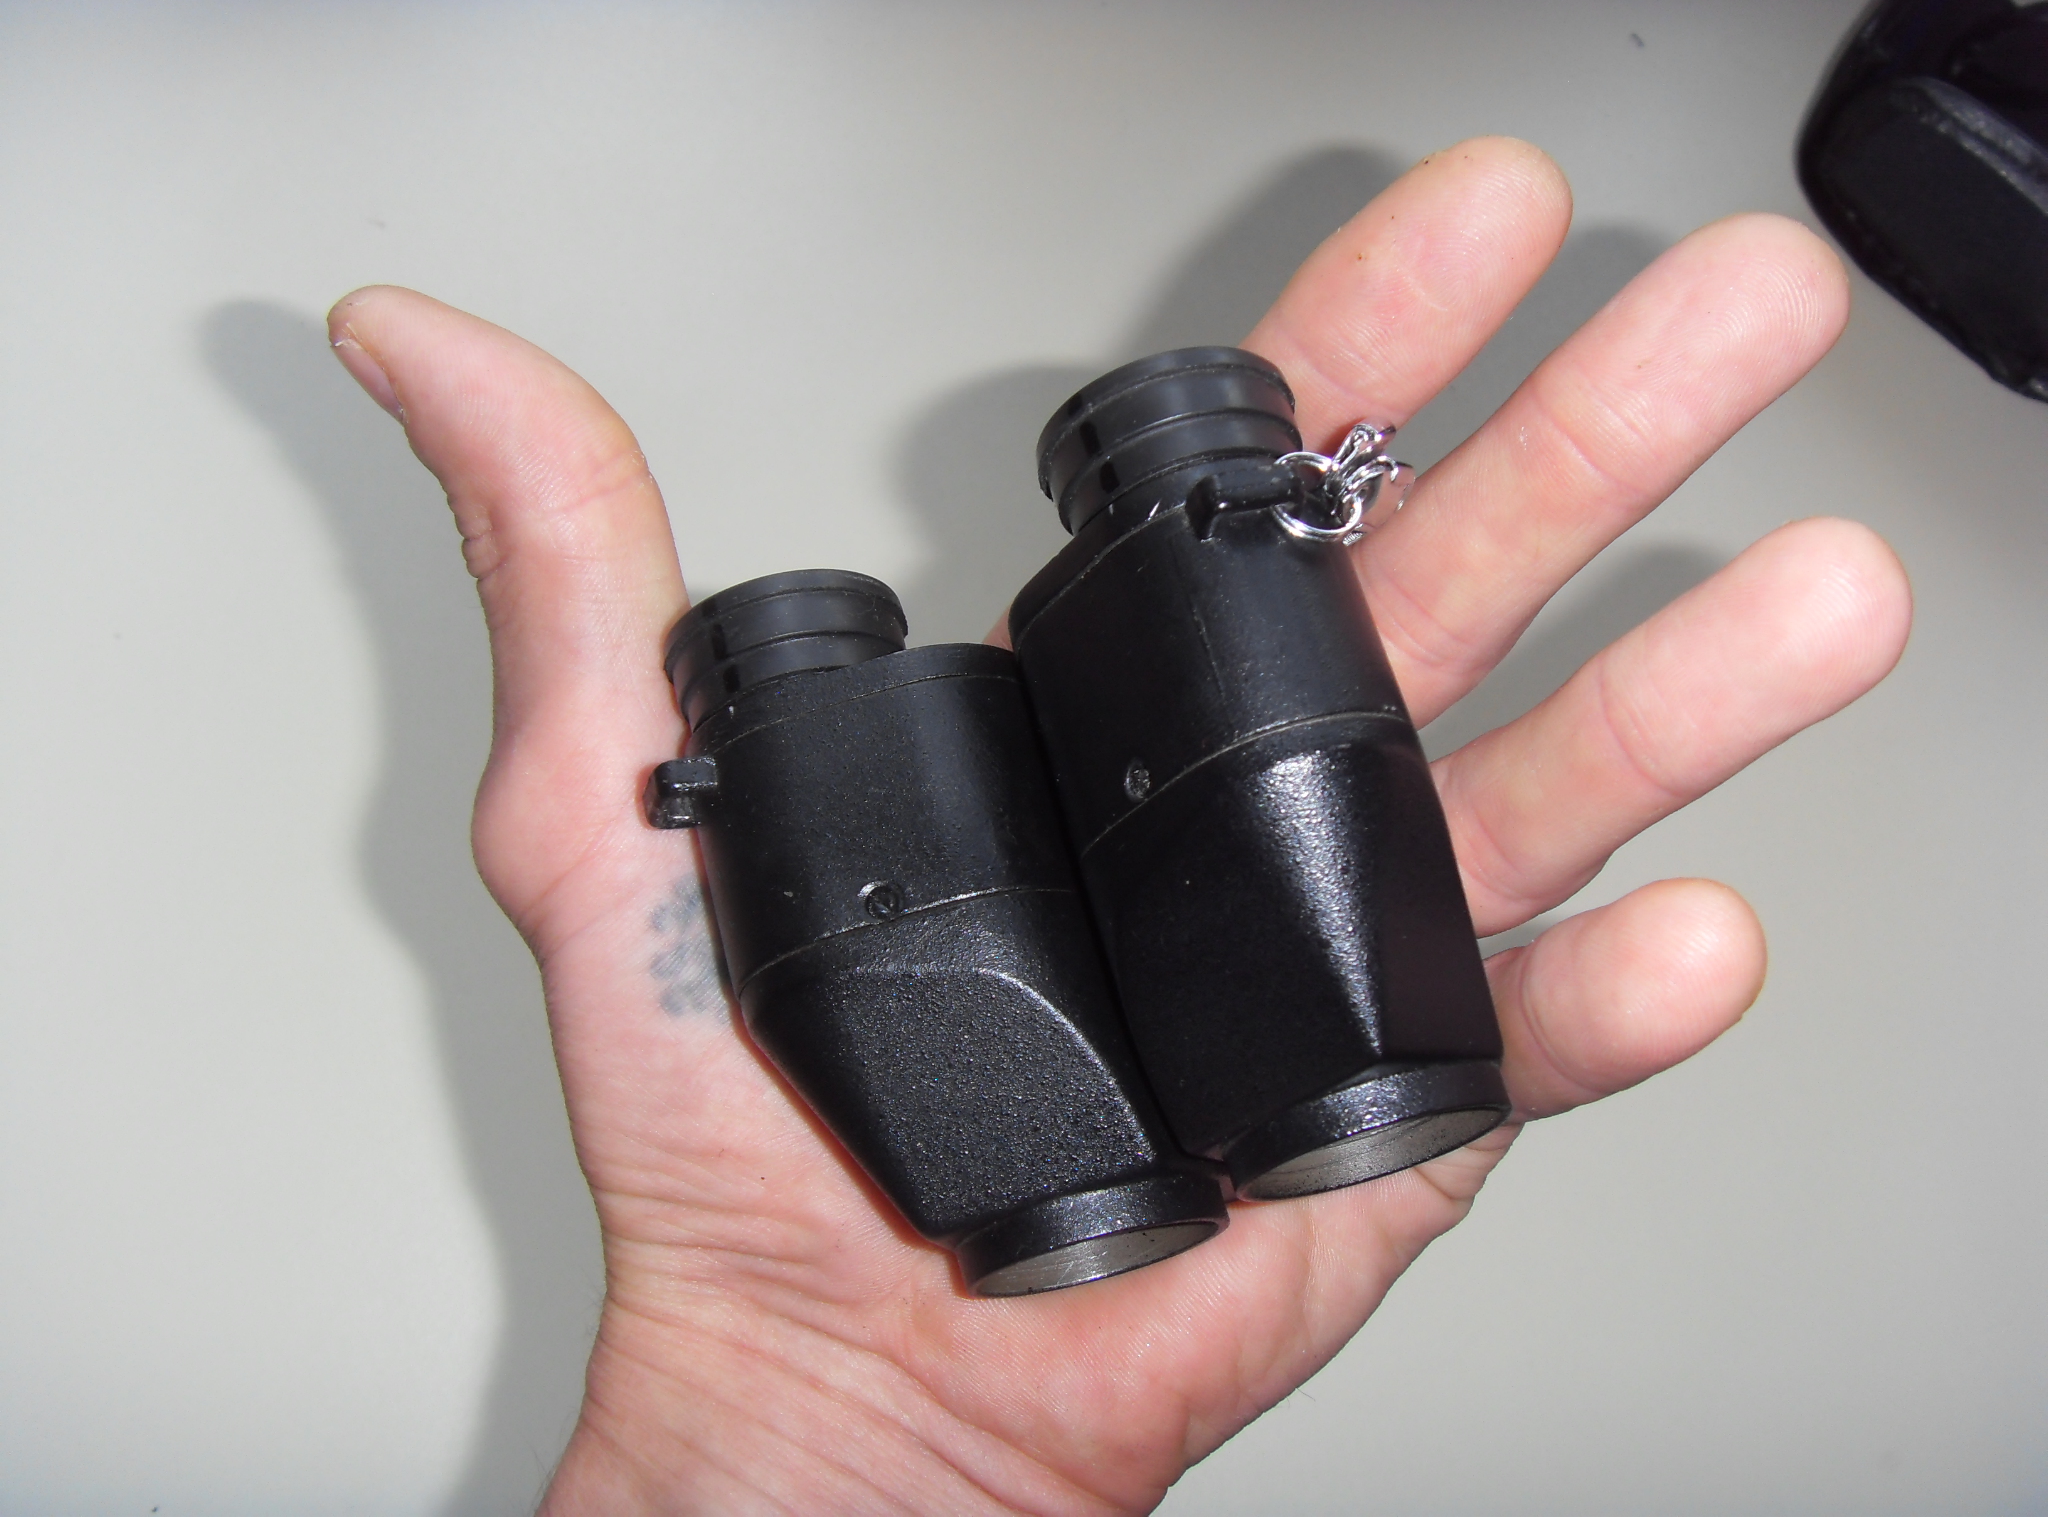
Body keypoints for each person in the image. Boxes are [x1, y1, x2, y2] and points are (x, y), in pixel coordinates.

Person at [325, 138, 1911, 1514]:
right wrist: (846, 1441)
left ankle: (1278, 1110)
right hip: (1135, 938)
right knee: (1284, 1007)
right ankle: (1256, 1119)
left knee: (847, 689)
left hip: (1196, 878)